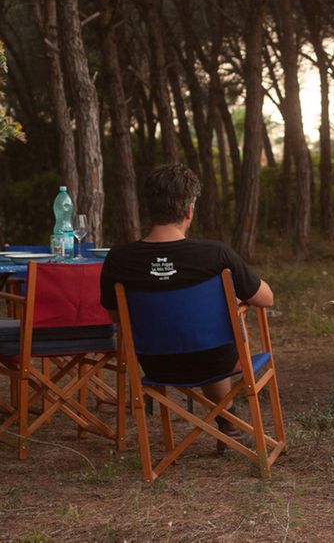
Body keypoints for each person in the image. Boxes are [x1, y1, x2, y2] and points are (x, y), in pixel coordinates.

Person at [101, 162, 273, 417]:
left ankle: (228, 420)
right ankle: (229, 419)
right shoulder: (216, 255)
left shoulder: (119, 259)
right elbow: (265, 298)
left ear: (149, 208)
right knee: (206, 341)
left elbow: (116, 317)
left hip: (156, 364)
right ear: (189, 210)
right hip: (215, 361)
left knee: (194, 340)